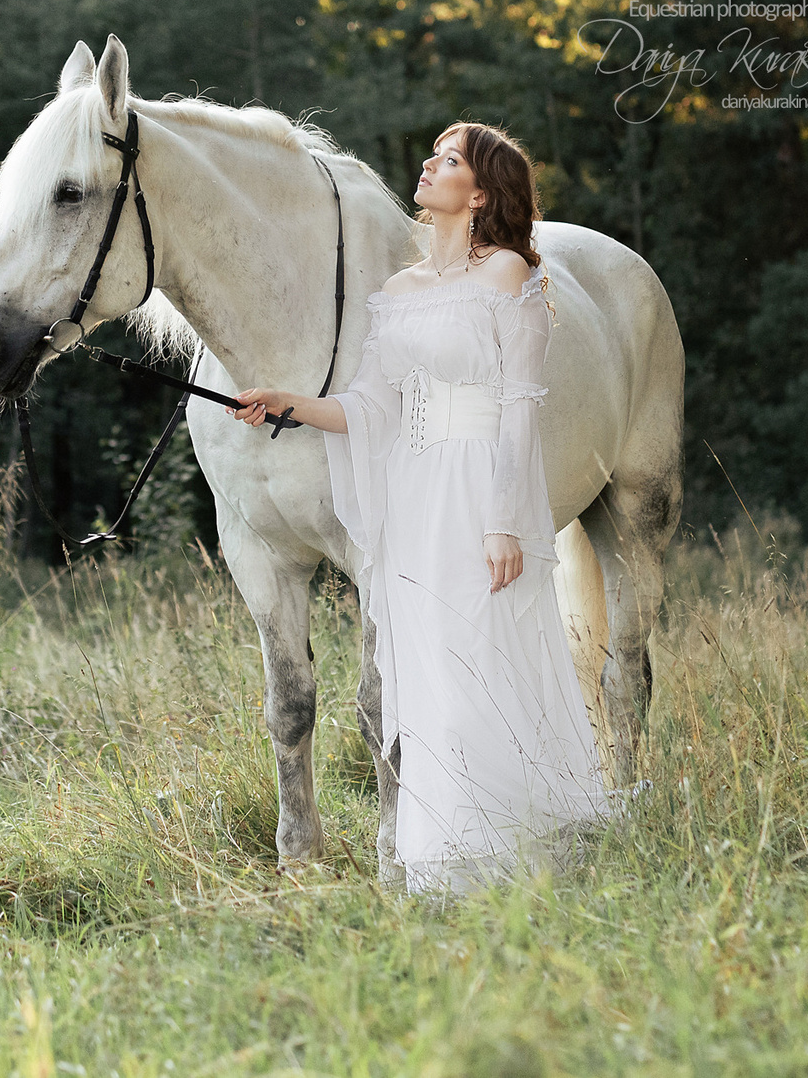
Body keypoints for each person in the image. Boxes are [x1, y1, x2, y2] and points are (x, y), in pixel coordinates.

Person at [230, 123, 619, 894]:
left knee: (485, 658)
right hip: (414, 495)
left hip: (481, 487)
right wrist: (292, 404)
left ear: (480, 195)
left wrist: (506, 519)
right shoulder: (400, 293)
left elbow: (518, 406)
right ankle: (444, 858)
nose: (429, 165)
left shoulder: (511, 275)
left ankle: (516, 846)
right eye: (434, 154)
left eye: (449, 160)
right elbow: (372, 404)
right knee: (425, 665)